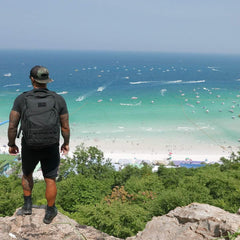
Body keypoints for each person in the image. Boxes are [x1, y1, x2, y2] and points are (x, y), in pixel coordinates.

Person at [8, 65, 70, 224]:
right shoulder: (58, 99)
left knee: (27, 174)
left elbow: (12, 125)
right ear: (47, 80)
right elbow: (65, 126)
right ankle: (50, 212)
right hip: (51, 145)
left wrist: (12, 144)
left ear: (32, 79)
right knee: (50, 179)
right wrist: (66, 143)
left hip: (30, 145)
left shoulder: (22, 99)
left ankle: (27, 206)